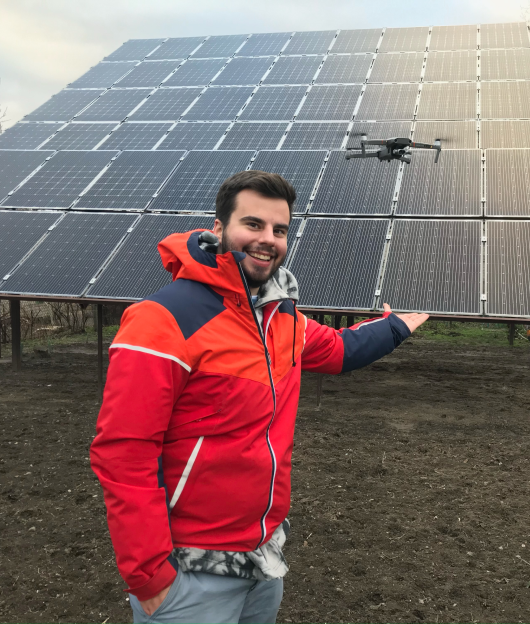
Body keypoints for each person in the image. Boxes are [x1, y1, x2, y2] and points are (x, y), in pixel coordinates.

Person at [90, 170, 429, 624]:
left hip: (263, 559)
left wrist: (397, 325)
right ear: (218, 229)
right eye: (253, 224)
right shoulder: (162, 320)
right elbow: (123, 452)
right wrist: (150, 576)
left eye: (280, 229)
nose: (267, 239)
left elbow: (340, 349)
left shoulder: (280, 318)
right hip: (189, 572)